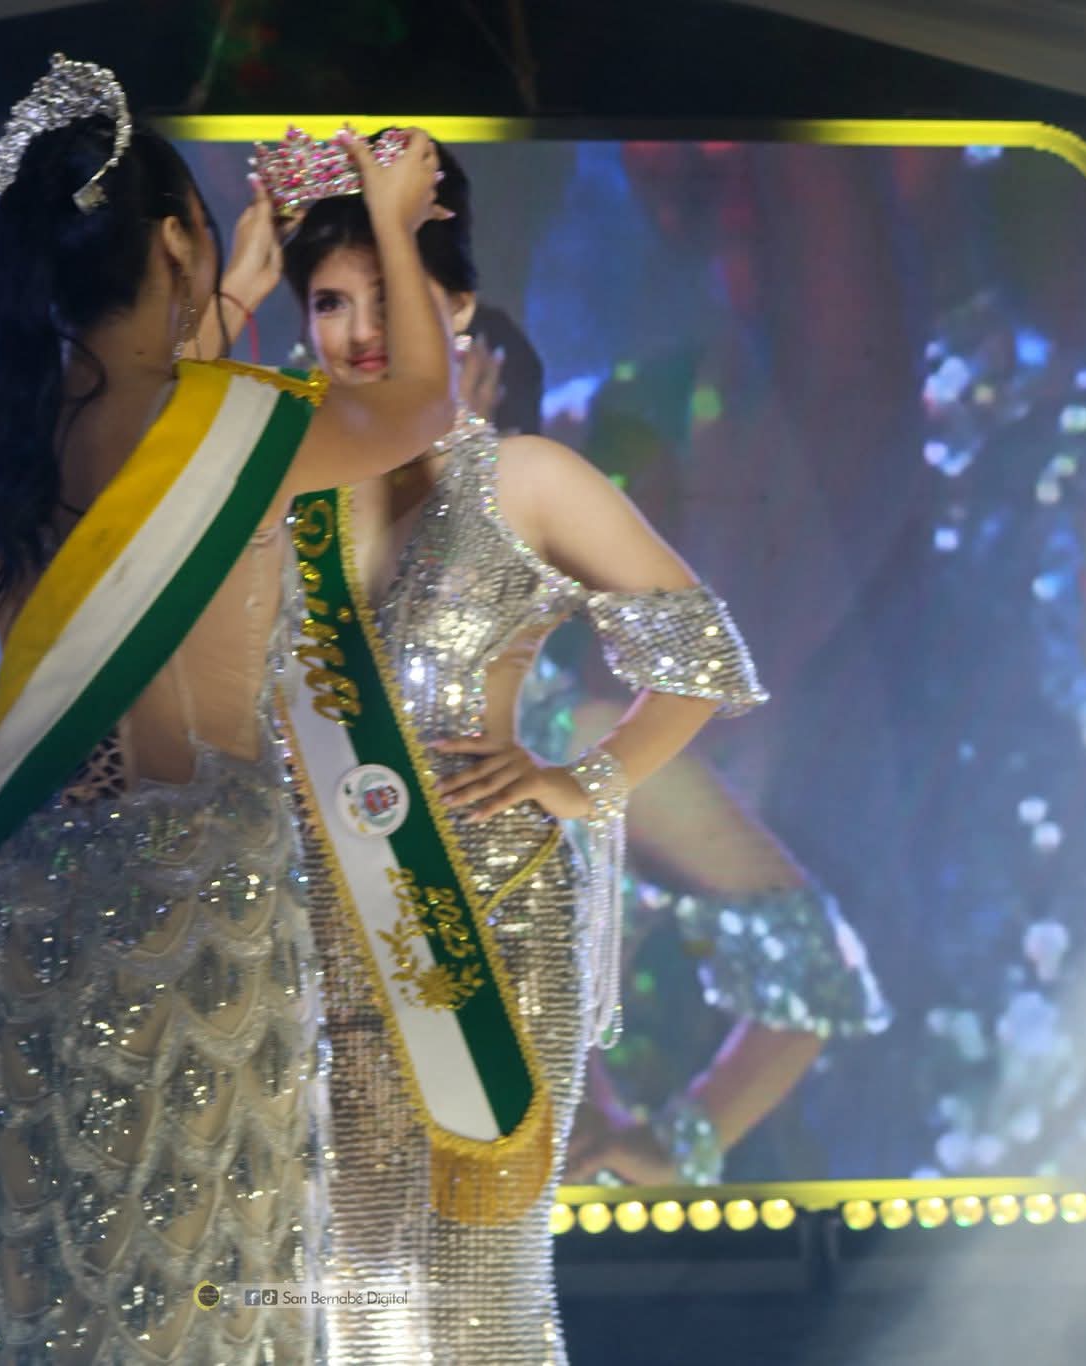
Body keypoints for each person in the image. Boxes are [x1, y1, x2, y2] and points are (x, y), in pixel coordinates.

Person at [0, 57, 452, 1363]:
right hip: (199, 915)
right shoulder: (250, 424)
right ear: (172, 240)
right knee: (200, 1268)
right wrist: (391, 219)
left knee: (45, 1274)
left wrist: (224, 295)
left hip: (30, 908)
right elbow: (422, 405)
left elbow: (142, 454)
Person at [269, 137, 766, 1364]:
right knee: (348, 1282)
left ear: (455, 309)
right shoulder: (285, 491)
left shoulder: (523, 479)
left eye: (389, 298)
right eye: (329, 304)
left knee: (477, 1291)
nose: (358, 332)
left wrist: (583, 780)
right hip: (310, 921)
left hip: (485, 918)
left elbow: (697, 655)